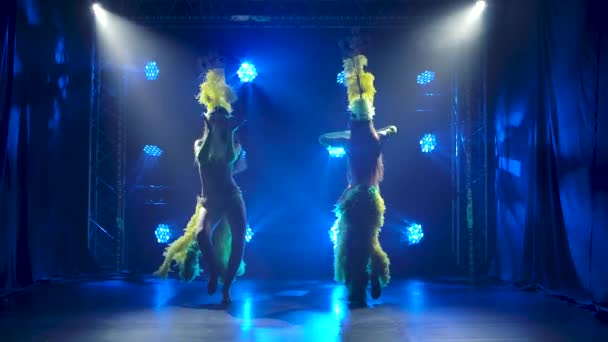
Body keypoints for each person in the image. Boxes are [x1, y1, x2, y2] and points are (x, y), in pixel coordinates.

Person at [155, 66, 247, 305]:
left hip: (231, 197)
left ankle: (226, 287)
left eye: (221, 118)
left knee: (238, 240)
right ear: (210, 120)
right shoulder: (199, 143)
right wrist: (208, 130)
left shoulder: (233, 144)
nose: (218, 121)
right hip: (209, 201)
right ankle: (215, 271)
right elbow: (202, 158)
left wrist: (231, 132)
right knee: (200, 234)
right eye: (214, 118)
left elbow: (229, 160)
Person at [319, 54, 397, 306]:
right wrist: (381, 129)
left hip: (354, 199)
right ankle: (377, 272)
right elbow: (392, 129)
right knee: (369, 239)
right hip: (373, 198)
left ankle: (360, 286)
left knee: (353, 242)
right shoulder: (376, 139)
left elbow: (323, 139)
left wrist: (346, 134)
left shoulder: (350, 140)